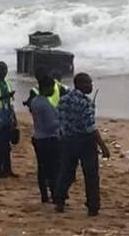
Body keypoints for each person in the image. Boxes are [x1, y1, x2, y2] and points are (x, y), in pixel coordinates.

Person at [54, 72, 110, 216]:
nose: (91, 86)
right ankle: (93, 206)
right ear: (80, 84)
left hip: (68, 140)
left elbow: (60, 121)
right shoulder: (85, 103)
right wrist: (103, 146)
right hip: (85, 141)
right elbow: (90, 127)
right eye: (88, 83)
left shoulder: (63, 100)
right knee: (91, 175)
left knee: (66, 172)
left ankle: (59, 200)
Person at [29, 75, 61, 203]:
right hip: (48, 138)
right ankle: (54, 194)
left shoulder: (35, 101)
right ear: (45, 88)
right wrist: (61, 120)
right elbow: (50, 124)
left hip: (38, 137)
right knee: (52, 169)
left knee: (42, 168)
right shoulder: (45, 105)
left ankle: (44, 194)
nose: (54, 90)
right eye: (52, 87)